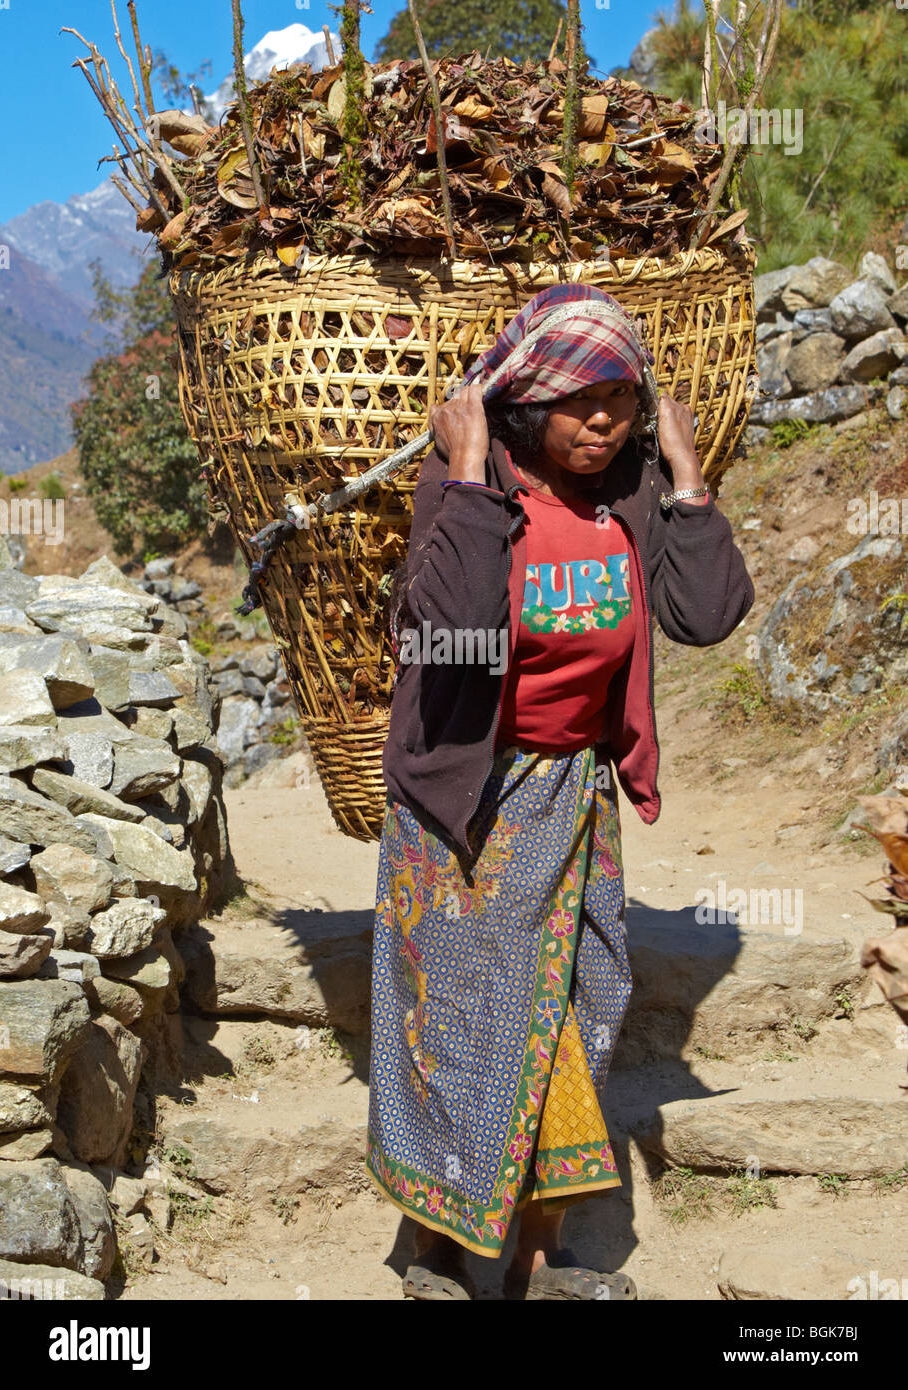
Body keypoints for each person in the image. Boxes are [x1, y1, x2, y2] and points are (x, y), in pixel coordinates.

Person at [365, 283, 755, 1299]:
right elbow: (446, 630)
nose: (603, 422)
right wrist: (462, 473)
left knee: (570, 1017)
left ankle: (538, 1257)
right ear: (526, 404)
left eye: (622, 402)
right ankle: (438, 1247)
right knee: (457, 1018)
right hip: (464, 806)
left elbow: (705, 615)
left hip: (573, 798)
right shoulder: (471, 491)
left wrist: (686, 474)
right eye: (581, 402)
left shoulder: (627, 497)